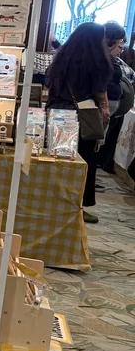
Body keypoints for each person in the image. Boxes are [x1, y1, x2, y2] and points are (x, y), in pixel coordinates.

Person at [46, 22, 114, 223]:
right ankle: (77, 207)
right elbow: (100, 92)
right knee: (83, 162)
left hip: (58, 113)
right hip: (83, 116)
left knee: (59, 159)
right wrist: (104, 110)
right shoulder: (96, 61)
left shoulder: (62, 58)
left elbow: (50, 84)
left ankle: (55, 202)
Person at [99, 22, 135, 172]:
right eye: (119, 45)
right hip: (103, 108)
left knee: (104, 141)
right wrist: (105, 106)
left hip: (113, 108)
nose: (120, 50)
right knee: (98, 142)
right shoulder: (101, 59)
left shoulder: (115, 60)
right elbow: (101, 87)